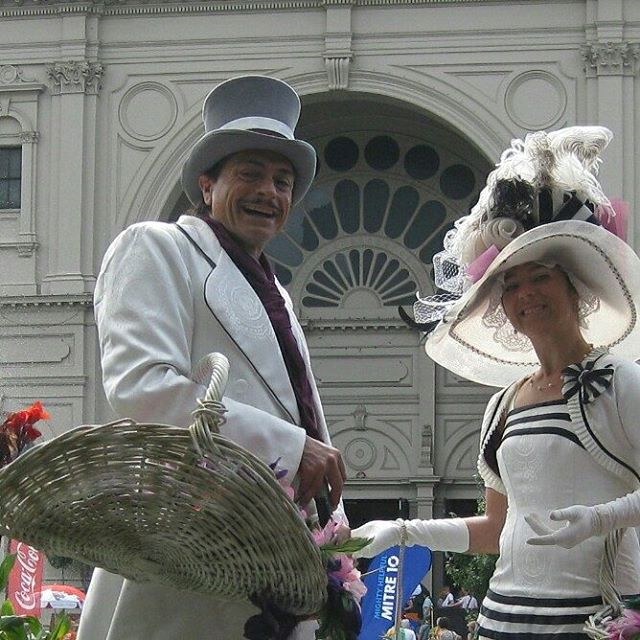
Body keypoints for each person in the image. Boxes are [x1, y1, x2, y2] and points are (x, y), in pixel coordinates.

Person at [78, 75, 347, 640]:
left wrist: (328, 523)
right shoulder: (156, 246)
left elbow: (299, 410)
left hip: (267, 561)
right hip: (182, 558)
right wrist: (291, 448)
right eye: (249, 173)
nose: (269, 192)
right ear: (207, 184)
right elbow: (142, 387)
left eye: (282, 181)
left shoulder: (276, 291)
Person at [350, 126, 640, 638]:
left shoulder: (622, 384)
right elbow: (495, 530)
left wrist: (603, 518)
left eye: (541, 276)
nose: (526, 293)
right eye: (511, 284)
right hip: (501, 622)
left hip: (592, 622)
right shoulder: (504, 404)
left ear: (575, 288)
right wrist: (402, 531)